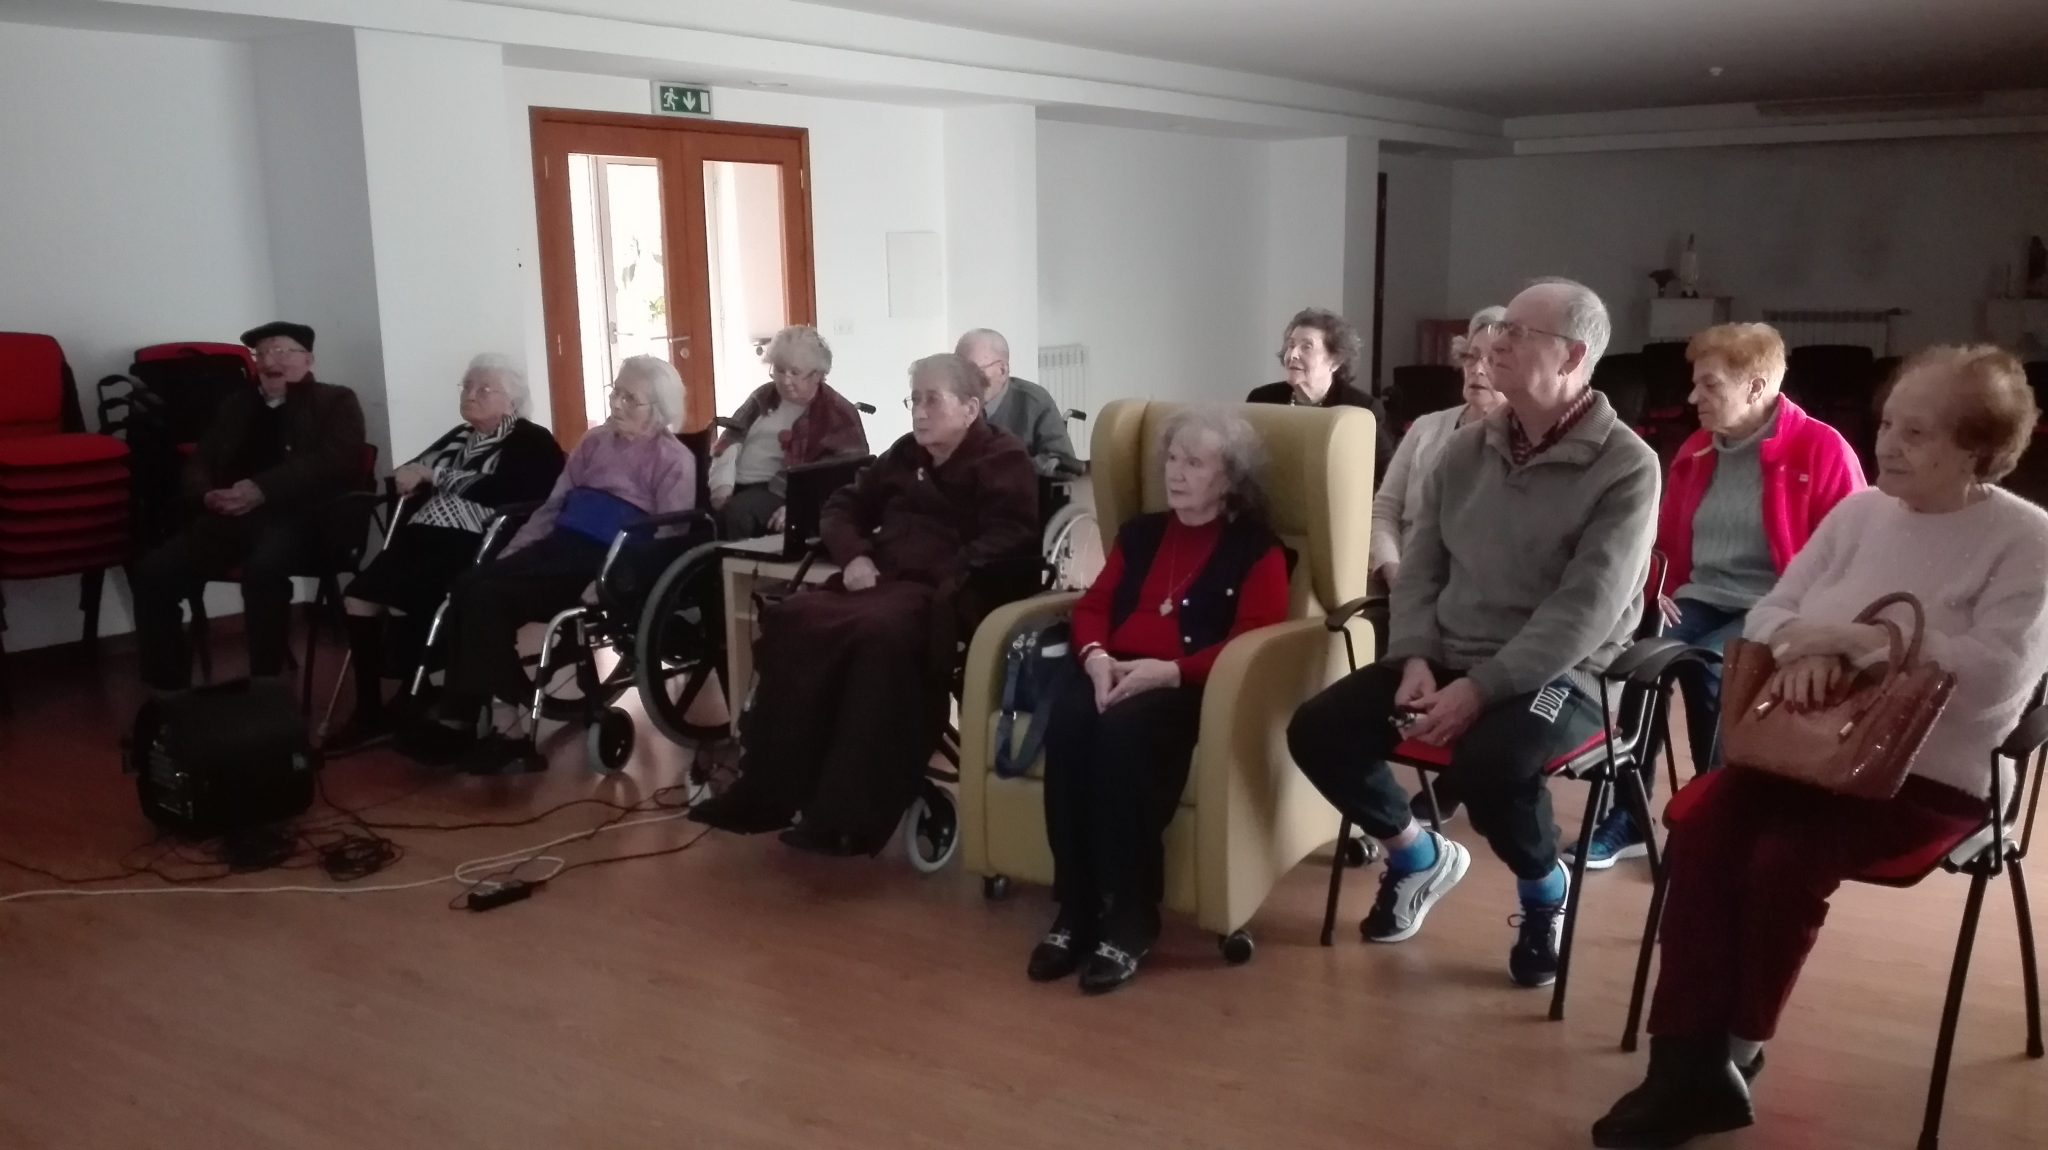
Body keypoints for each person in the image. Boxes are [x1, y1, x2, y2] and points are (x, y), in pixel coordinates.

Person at [1592, 345, 2048, 1149]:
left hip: (1928, 777)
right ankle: (1681, 1064)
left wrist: (1854, 643)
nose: (1887, 444)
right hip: (1801, 749)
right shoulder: (1862, 513)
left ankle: (1734, 1053)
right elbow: (1773, 613)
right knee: (1704, 831)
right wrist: (1806, 649)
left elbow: (1998, 681)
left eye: (1917, 433)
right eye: (1888, 424)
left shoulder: (2027, 539)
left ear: (1978, 449)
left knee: (1785, 858)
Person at [1285, 278, 1659, 988]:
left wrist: (1480, 689)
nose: (1495, 344)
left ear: (1573, 356)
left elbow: (1583, 611)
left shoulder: (1627, 466)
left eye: (1519, 333)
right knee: (1318, 728)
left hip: (1564, 672)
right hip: (1447, 654)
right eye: (1498, 330)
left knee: (1490, 765)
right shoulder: (1463, 450)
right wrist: (1415, 656)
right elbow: (1421, 566)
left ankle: (1546, 890)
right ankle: (1418, 855)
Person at [690, 353, 1038, 854]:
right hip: (881, 581)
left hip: (946, 593)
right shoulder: (904, 455)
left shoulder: (1002, 458)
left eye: (932, 400)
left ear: (969, 407)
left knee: (876, 635)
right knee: (793, 617)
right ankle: (766, 790)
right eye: (914, 399)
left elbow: (1011, 536)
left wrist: (945, 575)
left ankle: (848, 815)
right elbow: (841, 506)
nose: (919, 411)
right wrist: (853, 555)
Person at [1570, 322, 1865, 870]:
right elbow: (1664, 536)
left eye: (1709, 385)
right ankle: (1630, 815)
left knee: (1710, 669)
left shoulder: (1821, 448)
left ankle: (1713, 822)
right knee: (1639, 664)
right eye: (1695, 383)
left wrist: (1818, 627)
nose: (1692, 398)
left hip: (1777, 604)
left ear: (1756, 387)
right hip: (1702, 594)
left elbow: (1853, 551)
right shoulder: (1698, 447)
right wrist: (1659, 590)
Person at [1027, 406, 1289, 994]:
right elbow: (1094, 605)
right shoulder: (1141, 534)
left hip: (1189, 686)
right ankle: (1076, 906)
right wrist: (1096, 658)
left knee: (1124, 736)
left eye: (1195, 463)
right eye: (1172, 458)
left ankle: (1131, 912)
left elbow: (1254, 641)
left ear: (1230, 478)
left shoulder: (1257, 550)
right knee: (1069, 721)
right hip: (1112, 668)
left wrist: (1169, 672)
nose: (1176, 472)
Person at [431, 355, 694, 773]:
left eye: (631, 398)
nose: (617, 403)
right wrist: (512, 552)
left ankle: (501, 727)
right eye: (616, 392)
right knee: (470, 583)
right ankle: (472, 712)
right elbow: (553, 506)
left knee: (487, 595)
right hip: (559, 545)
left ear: (658, 409)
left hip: (607, 560)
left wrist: (613, 580)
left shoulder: (673, 458)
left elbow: (670, 532)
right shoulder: (594, 442)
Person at [326, 354, 565, 751]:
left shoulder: (531, 439)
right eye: (467, 387)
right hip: (422, 536)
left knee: (407, 599)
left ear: (512, 400)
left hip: (473, 542)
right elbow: (412, 469)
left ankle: (417, 694)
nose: (471, 394)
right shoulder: (459, 436)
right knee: (358, 598)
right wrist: (412, 475)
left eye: (483, 389)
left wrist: (437, 476)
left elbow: (514, 492)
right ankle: (371, 709)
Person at [131, 321, 367, 692]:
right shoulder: (236, 405)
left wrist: (262, 489)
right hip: (230, 516)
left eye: (281, 351)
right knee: (154, 572)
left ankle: (266, 685)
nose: (270, 361)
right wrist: (206, 494)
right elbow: (200, 460)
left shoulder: (335, 401)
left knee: (264, 570)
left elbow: (336, 462)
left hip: (303, 519)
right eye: (262, 354)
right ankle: (168, 692)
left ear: (308, 360)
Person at [1371, 307, 1508, 591]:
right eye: (1471, 356)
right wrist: (1394, 573)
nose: (1477, 369)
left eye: (1492, 360)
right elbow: (1384, 510)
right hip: (1403, 579)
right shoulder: (1426, 427)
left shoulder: (1522, 439)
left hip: (1472, 594)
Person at [707, 325, 869, 539]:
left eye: (795, 372)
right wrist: (722, 483)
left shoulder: (837, 412)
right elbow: (732, 436)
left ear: (818, 375)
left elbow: (844, 477)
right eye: (779, 370)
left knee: (737, 513)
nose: (785, 380)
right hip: (734, 483)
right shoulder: (764, 395)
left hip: (779, 490)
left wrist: (799, 506)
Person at [1246, 307, 1397, 483]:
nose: (1293, 354)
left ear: (1335, 361)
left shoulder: (1361, 409)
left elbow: (1387, 478)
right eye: (1291, 345)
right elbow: (1244, 467)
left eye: (1306, 347)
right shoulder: (1262, 399)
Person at [956, 328, 1082, 478]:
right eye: (958, 370)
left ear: (1002, 371)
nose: (964, 380)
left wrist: (1005, 470)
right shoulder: (951, 401)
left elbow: (1063, 463)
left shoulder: (1034, 401)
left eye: (974, 370)